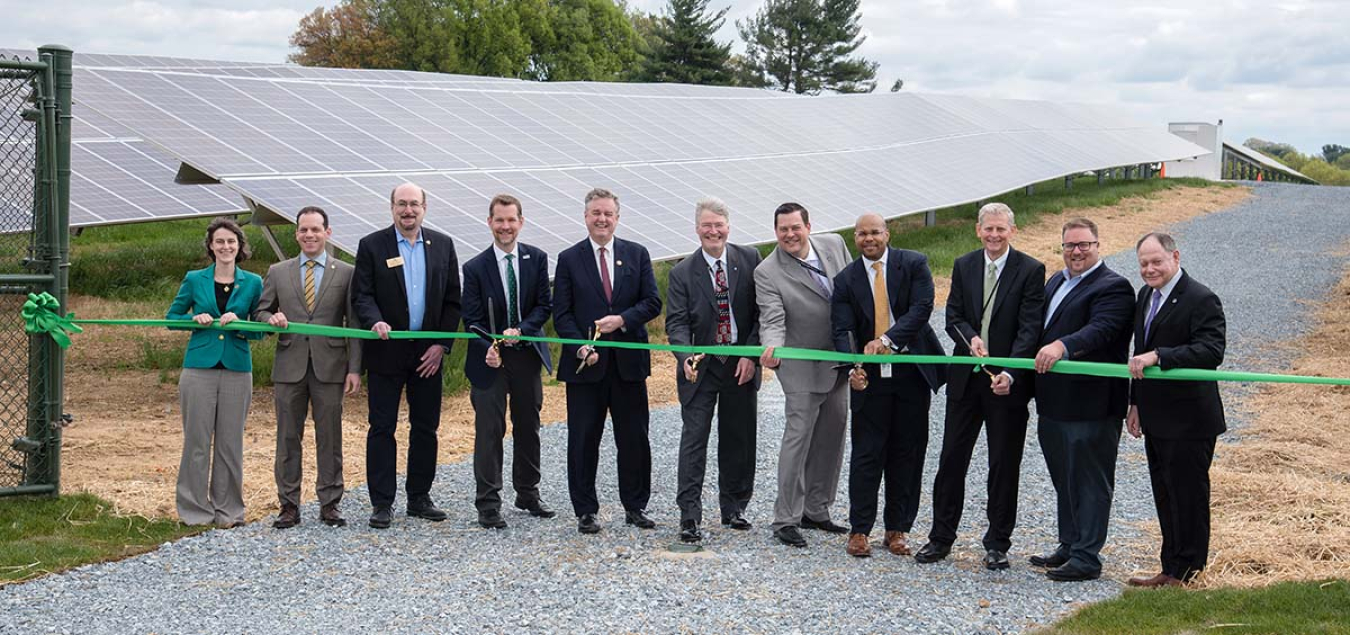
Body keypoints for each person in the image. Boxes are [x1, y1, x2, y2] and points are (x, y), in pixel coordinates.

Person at [916, 203, 1045, 569]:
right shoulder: (964, 264)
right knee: (951, 461)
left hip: (1006, 383)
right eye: (988, 229)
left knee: (1004, 464)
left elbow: (1030, 328)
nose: (994, 235)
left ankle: (997, 543)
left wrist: (1010, 371)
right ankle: (940, 538)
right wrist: (970, 337)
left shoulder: (1031, 270)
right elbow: (953, 314)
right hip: (966, 380)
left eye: (1001, 230)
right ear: (978, 230)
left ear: (1012, 231)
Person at [831, 213, 945, 558]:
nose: (869, 239)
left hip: (911, 369)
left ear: (887, 234)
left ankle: (897, 529)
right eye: (862, 234)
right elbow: (842, 328)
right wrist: (854, 365)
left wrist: (888, 340)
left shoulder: (913, 264)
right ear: (855, 238)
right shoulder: (846, 279)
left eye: (875, 232)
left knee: (906, 452)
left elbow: (921, 308)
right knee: (867, 452)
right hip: (870, 377)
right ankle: (859, 530)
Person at [1029, 217, 1134, 582]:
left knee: (1090, 480)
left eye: (1084, 245)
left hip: (1092, 405)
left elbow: (1102, 330)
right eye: (1070, 245)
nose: (1076, 252)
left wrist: (1063, 345)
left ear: (1098, 245)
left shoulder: (1115, 287)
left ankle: (1087, 557)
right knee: (1065, 477)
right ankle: (1070, 544)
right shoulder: (1056, 281)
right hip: (1054, 402)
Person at [352, 182, 462, 529]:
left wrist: (441, 346)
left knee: (426, 427)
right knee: (382, 427)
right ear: (392, 208)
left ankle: (419, 497)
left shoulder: (443, 245)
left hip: (427, 355)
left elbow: (452, 301)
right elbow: (362, 295)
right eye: (402, 204)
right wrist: (375, 320)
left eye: (414, 204)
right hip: (386, 351)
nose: (408, 210)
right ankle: (382, 503)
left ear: (425, 208)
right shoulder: (372, 245)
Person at [553, 188, 662, 535]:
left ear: (617, 217)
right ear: (585, 217)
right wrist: (580, 347)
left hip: (628, 365)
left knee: (633, 439)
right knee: (584, 440)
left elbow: (652, 302)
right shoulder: (569, 258)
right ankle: (585, 510)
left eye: (608, 213)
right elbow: (562, 314)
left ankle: (635, 506)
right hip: (586, 366)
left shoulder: (637, 254)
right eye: (595, 213)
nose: (602, 219)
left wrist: (623, 319)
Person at [1126, 232, 1227, 588]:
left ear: (1175, 257)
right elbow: (1141, 350)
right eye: (1143, 264)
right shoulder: (1145, 295)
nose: (1150, 269)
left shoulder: (1200, 298)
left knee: (1189, 496)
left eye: (1156, 261)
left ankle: (1189, 571)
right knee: (1165, 493)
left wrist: (1161, 356)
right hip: (1155, 416)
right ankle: (1169, 567)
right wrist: (1134, 402)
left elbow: (1211, 350)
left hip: (1189, 419)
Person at [256, 206, 362, 529]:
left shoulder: (345, 272)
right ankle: (288, 504)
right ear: (296, 234)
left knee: (330, 436)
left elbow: (353, 323)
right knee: (288, 437)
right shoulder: (278, 271)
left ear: (328, 233)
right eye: (303, 230)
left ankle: (330, 503)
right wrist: (271, 318)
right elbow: (260, 311)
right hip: (290, 366)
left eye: (316, 229)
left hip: (330, 366)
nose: (309, 235)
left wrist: (355, 368)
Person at [755, 202, 853, 548]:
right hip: (800, 366)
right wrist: (772, 348)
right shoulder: (767, 271)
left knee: (833, 434)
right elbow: (772, 318)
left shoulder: (835, 245)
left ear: (808, 226)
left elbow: (856, 289)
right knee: (797, 440)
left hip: (840, 360)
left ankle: (817, 509)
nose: (790, 235)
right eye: (783, 229)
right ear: (776, 231)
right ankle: (786, 518)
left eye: (795, 227)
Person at [665, 197, 762, 544]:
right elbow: (675, 323)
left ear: (728, 227)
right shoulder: (681, 273)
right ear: (697, 229)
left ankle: (734, 507)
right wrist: (684, 356)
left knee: (739, 437)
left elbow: (760, 313)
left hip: (740, 362)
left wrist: (751, 355)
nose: (713, 231)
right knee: (694, 441)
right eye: (707, 225)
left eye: (718, 225)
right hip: (701, 366)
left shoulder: (749, 259)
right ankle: (689, 515)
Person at [461, 194, 555, 529]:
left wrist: (523, 330)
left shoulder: (537, 258)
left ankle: (527, 492)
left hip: (527, 353)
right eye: (499, 220)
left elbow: (545, 305)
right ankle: (488, 503)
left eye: (511, 220)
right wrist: (491, 343)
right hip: (490, 360)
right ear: (490, 223)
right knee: (490, 429)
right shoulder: (473, 268)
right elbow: (471, 316)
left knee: (529, 425)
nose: (505, 226)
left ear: (521, 222)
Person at [166, 216, 264, 527]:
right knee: (197, 440)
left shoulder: (254, 282)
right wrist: (194, 319)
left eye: (231, 242)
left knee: (230, 443)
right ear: (211, 246)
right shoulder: (195, 279)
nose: (225, 246)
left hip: (237, 367)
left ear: (240, 247)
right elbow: (172, 317)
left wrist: (241, 325)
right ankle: (194, 511)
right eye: (219, 241)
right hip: (199, 368)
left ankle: (229, 511)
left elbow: (260, 331)